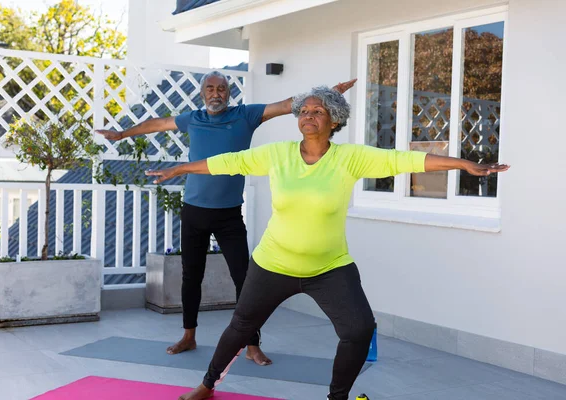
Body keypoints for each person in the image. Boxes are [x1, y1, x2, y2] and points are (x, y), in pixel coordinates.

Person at [146, 85, 510, 400]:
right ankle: (207, 386)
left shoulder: (350, 158)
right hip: (273, 263)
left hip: (329, 267)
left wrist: (462, 165)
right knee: (240, 327)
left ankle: (337, 397)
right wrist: (180, 169)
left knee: (359, 329)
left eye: (317, 111)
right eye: (303, 111)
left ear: (334, 119)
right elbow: (229, 161)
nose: (308, 116)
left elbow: (406, 160)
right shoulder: (278, 154)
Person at [96, 72, 357, 366]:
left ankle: (252, 344)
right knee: (190, 276)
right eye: (210, 88)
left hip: (229, 213)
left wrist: (328, 93)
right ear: (202, 93)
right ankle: (188, 335)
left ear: (229, 93)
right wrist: (121, 134)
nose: (216, 93)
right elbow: (157, 123)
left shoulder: (246, 115)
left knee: (244, 280)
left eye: (222, 88)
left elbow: (288, 105)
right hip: (193, 210)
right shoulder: (192, 118)